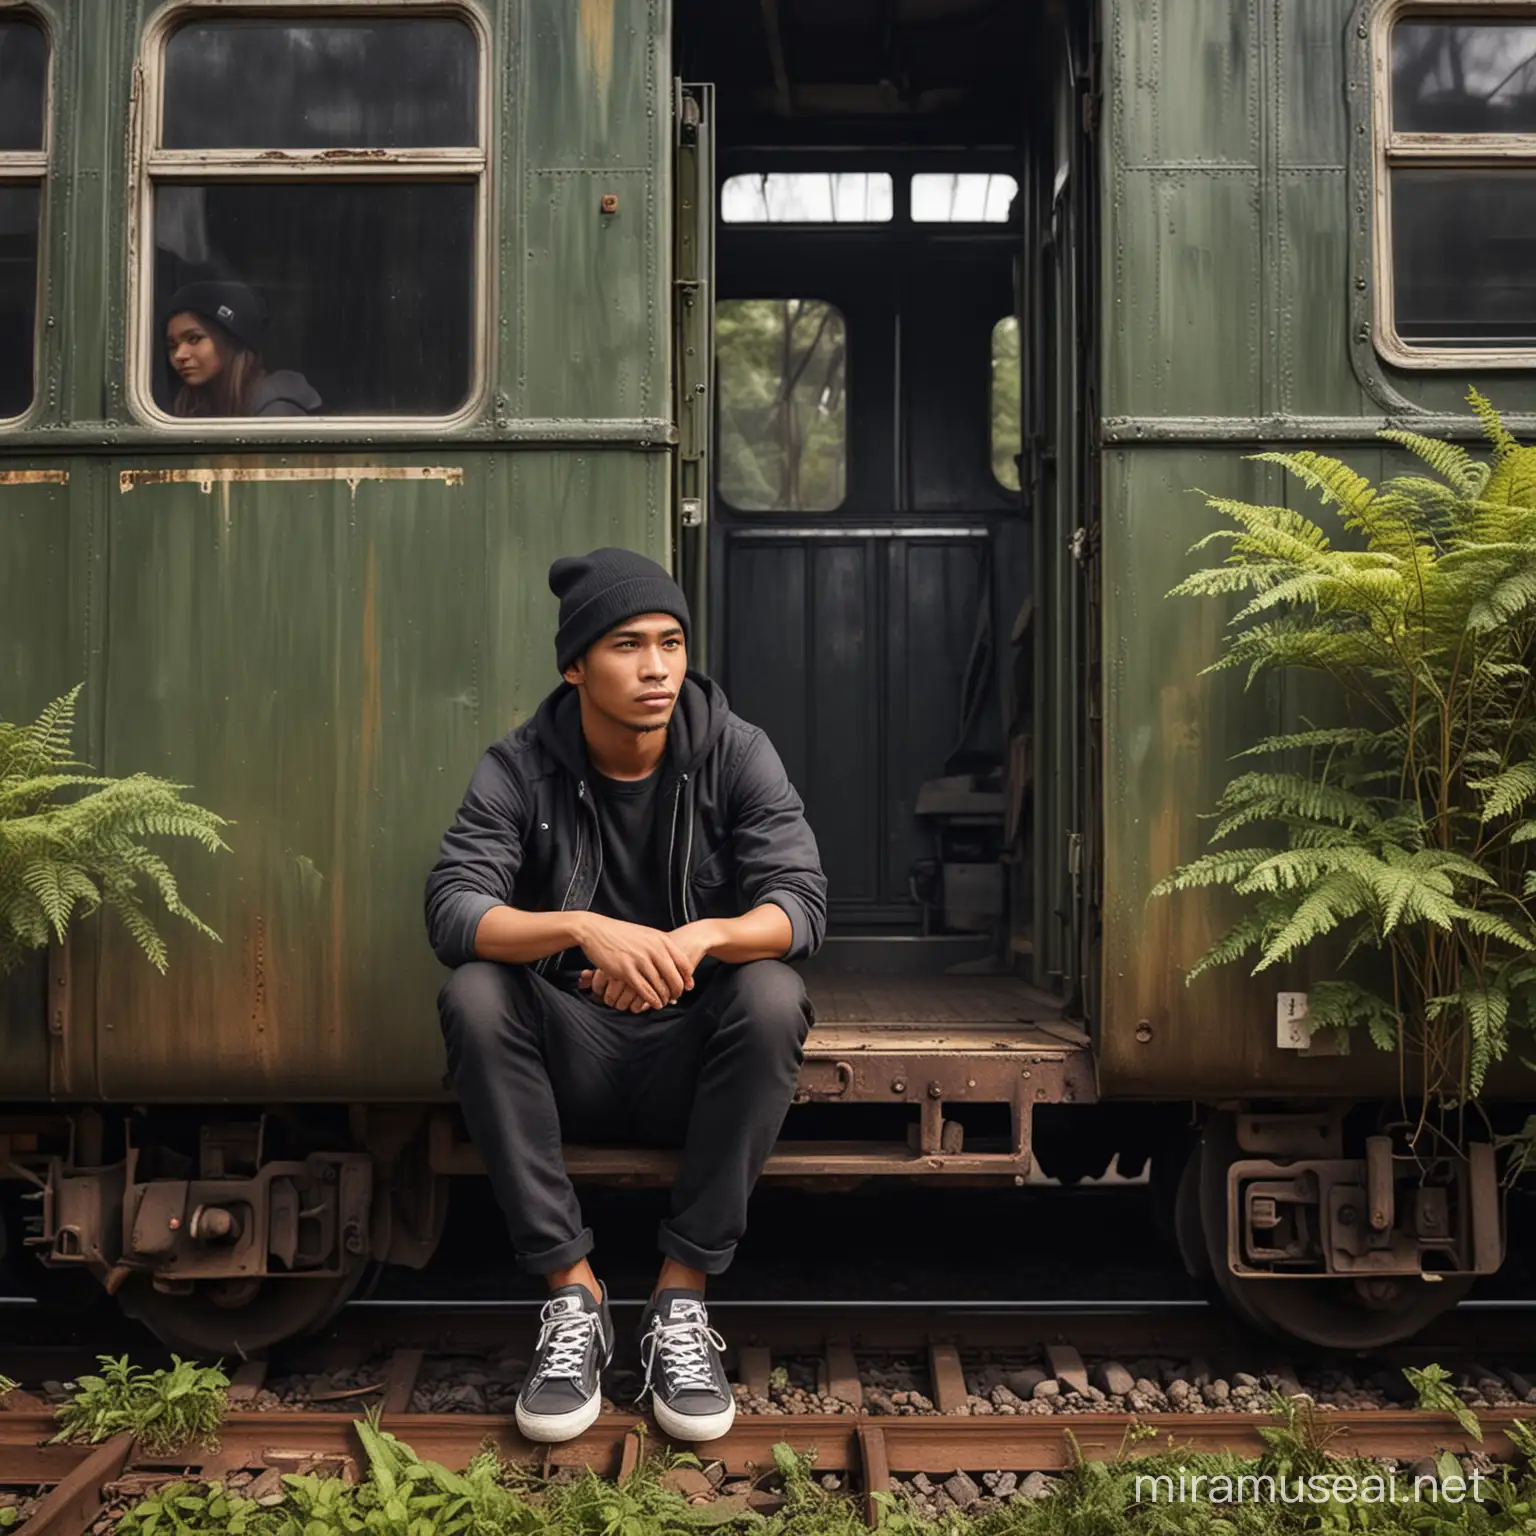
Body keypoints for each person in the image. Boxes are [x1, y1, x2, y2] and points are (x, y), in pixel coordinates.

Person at [425, 548, 827, 1445]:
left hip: (697, 1049)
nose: (655, 668)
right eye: (625, 645)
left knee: (772, 994)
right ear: (575, 666)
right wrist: (578, 927)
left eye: (671, 643)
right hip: (575, 1047)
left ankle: (680, 1305)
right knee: (477, 993)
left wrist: (698, 939)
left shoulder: (733, 749)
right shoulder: (519, 766)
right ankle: (575, 1297)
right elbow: (453, 909)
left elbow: (802, 903)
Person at [164, 279, 321, 418]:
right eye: (172, 346)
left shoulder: (276, 411)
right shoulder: (191, 406)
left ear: (233, 340)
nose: (179, 355)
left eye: (194, 339)